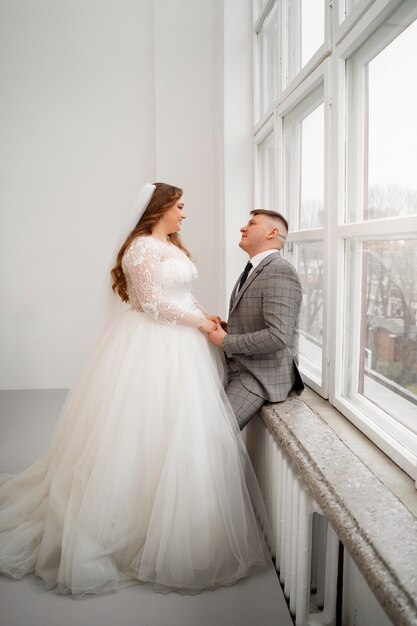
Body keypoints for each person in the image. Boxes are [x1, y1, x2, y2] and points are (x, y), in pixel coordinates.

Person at [0, 183, 269, 597]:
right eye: (179, 206)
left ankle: (176, 519)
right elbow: (150, 304)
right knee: (141, 427)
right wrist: (199, 325)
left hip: (183, 343)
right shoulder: (141, 249)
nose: (184, 213)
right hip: (152, 345)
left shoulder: (171, 247)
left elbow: (179, 293)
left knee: (176, 429)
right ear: (159, 208)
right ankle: (125, 521)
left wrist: (204, 313)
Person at [208, 209, 304, 430]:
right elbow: (255, 320)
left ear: (272, 232)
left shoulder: (280, 271)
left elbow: (277, 336)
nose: (243, 228)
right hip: (241, 366)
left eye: (252, 223)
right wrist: (226, 329)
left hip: (260, 376)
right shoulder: (254, 269)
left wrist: (226, 341)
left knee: (213, 434)